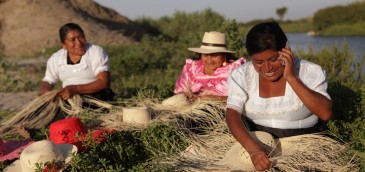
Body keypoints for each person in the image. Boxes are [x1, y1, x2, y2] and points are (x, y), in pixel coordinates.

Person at [225, 21, 332, 171]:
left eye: (273, 59)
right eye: (259, 62)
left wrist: (292, 78)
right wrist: (254, 151)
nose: (267, 68)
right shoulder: (242, 74)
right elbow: (232, 115)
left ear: (286, 50)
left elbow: (325, 113)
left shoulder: (309, 72)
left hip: (302, 148)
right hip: (255, 144)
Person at [40, 22, 114, 102]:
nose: (78, 43)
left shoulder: (95, 51)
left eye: (81, 37)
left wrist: (75, 89)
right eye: (72, 40)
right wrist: (46, 92)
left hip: (95, 98)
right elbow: (49, 80)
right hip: (69, 99)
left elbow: (104, 82)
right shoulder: (56, 58)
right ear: (63, 45)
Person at [173, 31, 246, 102]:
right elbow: (180, 93)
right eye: (205, 55)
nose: (209, 60)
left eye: (214, 55)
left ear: (224, 56)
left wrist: (211, 98)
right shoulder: (191, 69)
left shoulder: (235, 70)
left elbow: (241, 98)